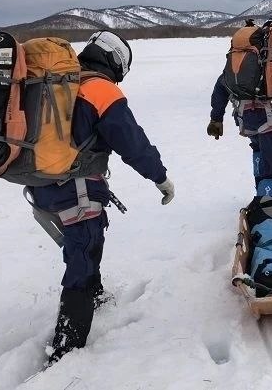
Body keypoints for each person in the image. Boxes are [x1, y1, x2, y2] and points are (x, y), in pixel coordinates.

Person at [29, 30, 175, 365]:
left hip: (41, 185)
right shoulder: (100, 89)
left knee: (86, 243)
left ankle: (93, 295)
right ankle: (66, 347)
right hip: (74, 187)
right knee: (82, 253)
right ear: (114, 61)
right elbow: (131, 142)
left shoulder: (59, 82)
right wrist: (160, 177)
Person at [207, 22, 272, 198]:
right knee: (271, 165)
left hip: (245, 117)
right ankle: (266, 205)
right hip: (270, 119)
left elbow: (221, 86)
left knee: (258, 151)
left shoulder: (240, 57)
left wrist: (216, 118)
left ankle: (260, 195)